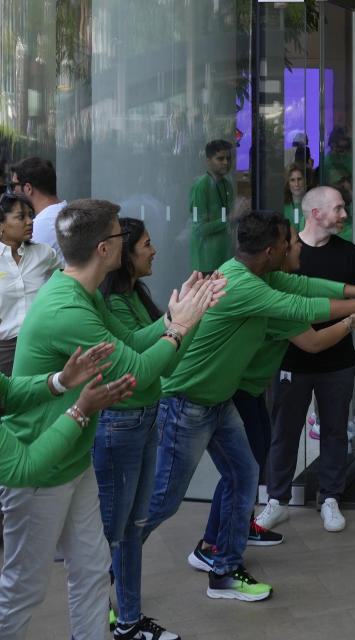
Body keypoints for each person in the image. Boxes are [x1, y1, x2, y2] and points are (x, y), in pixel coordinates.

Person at [145, 209, 355, 602]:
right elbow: (304, 312)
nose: (294, 247)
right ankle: (107, 562)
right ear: (270, 250)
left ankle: (223, 567)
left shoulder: (260, 274)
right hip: (188, 402)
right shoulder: (244, 286)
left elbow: (305, 285)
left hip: (218, 401)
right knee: (162, 501)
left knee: (245, 475)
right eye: (288, 243)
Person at [0, 198, 219, 640]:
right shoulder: (68, 308)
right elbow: (136, 372)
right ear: (104, 248)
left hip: (73, 459)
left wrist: (178, 320)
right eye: (122, 235)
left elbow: (133, 344)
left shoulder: (80, 292)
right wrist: (179, 328)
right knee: (23, 591)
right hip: (39, 467)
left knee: (94, 572)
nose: (134, 242)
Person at [95, 217, 204, 640]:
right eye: (146, 243)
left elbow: (166, 359)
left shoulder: (135, 295)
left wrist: (187, 321)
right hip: (119, 422)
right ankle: (99, 611)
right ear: (123, 252)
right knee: (114, 531)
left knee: (133, 528)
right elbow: (135, 361)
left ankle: (129, 621)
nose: (154, 249)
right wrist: (177, 322)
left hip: (143, 418)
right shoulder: (110, 303)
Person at [257, 187, 355, 533]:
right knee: (284, 432)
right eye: (338, 208)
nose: (345, 214)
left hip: (338, 362)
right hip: (292, 361)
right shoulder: (287, 255)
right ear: (315, 213)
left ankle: (330, 497)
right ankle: (276, 500)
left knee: (334, 431)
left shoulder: (348, 253)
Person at [0, 345, 133, 486]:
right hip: (46, 477)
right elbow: (20, 469)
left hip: (72, 463)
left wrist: (59, 382)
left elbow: (6, 391)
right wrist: (79, 412)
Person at [0, 193, 61, 375]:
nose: (30, 221)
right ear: (1, 224)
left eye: (31, 215)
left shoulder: (43, 253)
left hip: (41, 345)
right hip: (4, 350)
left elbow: (68, 281)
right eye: (21, 217)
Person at [8, 156, 67, 262]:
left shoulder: (39, 227)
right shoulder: (66, 212)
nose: (12, 192)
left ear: (28, 188)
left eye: (13, 186)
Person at [190, 139, 235, 273]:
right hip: (206, 262)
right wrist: (232, 217)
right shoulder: (201, 186)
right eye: (220, 158)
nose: (226, 162)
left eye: (228, 158)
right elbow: (200, 228)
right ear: (208, 161)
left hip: (225, 258)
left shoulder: (226, 184)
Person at [282, 162, 308, 232]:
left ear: (305, 181)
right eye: (292, 180)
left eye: (299, 179)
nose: (296, 184)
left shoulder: (312, 205)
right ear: (288, 184)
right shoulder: (282, 207)